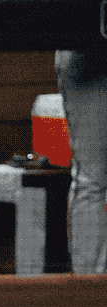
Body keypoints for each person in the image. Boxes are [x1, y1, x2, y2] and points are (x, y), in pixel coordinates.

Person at [55, 49, 107, 275]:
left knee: (90, 182)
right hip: (86, 49)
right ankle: (89, 285)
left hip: (83, 46)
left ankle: (89, 284)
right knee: (91, 181)